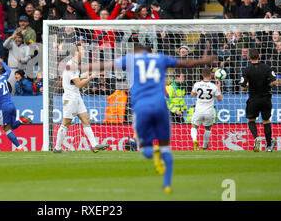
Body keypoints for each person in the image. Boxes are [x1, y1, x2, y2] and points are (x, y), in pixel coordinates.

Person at [91, 44, 215, 193]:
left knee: (145, 145)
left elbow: (110, 65)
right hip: (161, 107)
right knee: (165, 147)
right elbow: (185, 64)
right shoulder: (159, 63)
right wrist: (203, 60)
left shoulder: (133, 63)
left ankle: (141, 144)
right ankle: (167, 184)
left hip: (142, 105)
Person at [53, 43, 110, 154]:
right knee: (66, 123)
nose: (84, 51)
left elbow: (74, 80)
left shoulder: (75, 65)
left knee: (86, 120)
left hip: (76, 96)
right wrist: (91, 77)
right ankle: (57, 148)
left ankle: (94, 145)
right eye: (82, 50)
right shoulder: (71, 65)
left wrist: (86, 74)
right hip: (70, 97)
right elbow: (79, 84)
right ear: (76, 52)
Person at [0, 57, 32, 151]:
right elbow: (9, 70)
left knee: (6, 129)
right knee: (11, 127)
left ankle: (19, 147)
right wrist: (2, 62)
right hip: (11, 105)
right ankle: (21, 121)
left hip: (3, 108)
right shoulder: (3, 77)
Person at [239, 48, 278, 152]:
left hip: (253, 99)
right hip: (266, 98)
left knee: (251, 120)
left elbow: (243, 88)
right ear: (259, 56)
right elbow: (274, 82)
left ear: (249, 57)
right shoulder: (267, 68)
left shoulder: (246, 70)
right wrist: (268, 84)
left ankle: (256, 138)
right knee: (266, 121)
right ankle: (269, 146)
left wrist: (248, 84)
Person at [190, 67, 223, 150]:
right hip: (209, 111)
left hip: (198, 111)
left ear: (201, 75)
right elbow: (219, 99)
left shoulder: (197, 84)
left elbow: (192, 95)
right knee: (208, 128)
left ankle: (195, 141)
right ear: (211, 75)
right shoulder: (213, 86)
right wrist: (218, 86)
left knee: (194, 126)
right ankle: (204, 146)